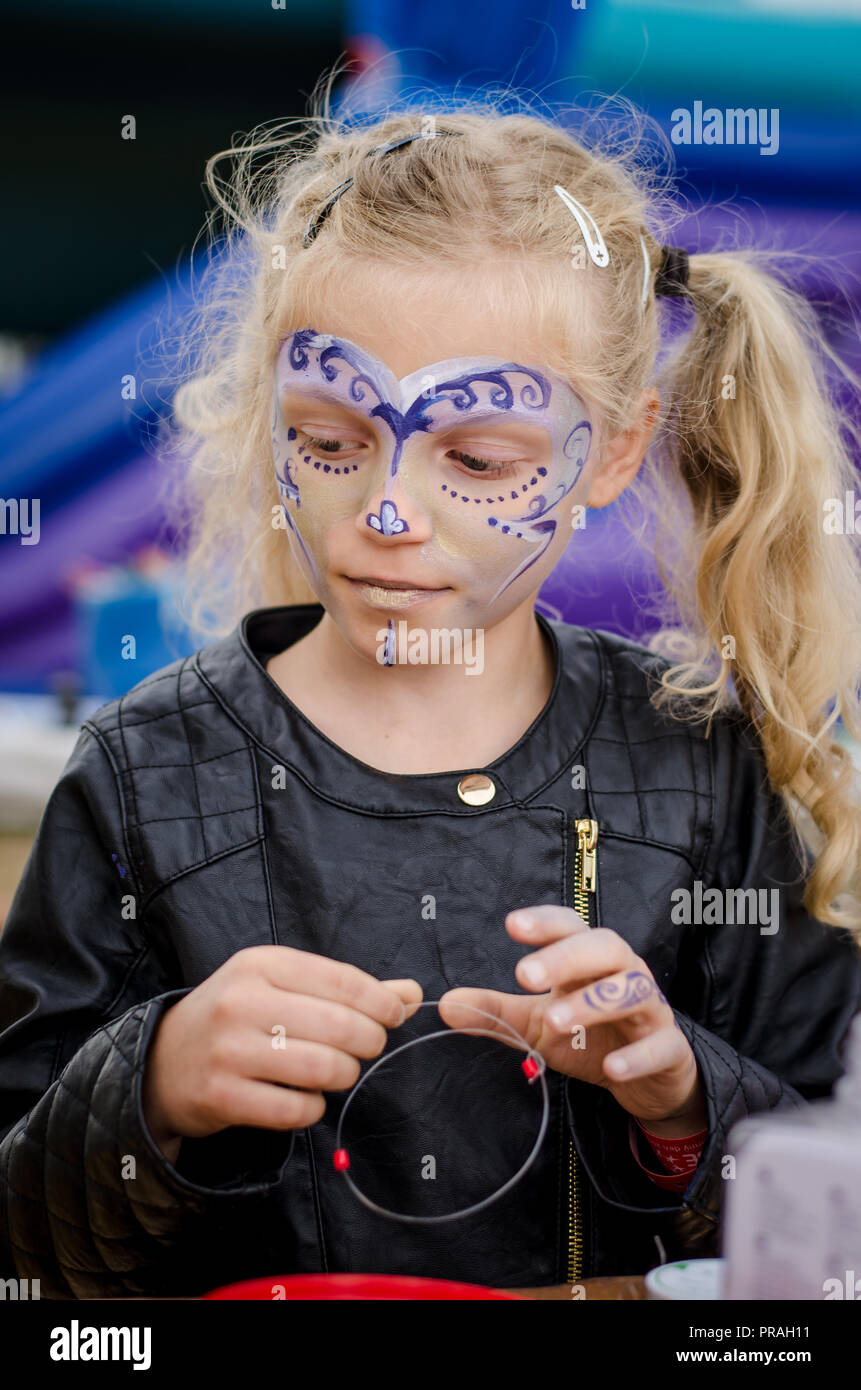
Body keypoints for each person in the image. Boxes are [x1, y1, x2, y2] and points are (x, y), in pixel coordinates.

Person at [2, 90, 860, 1298]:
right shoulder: (142, 777)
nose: (388, 513)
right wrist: (148, 1088)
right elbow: (21, 1240)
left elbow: (831, 1203)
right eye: (333, 438)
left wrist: (679, 1095)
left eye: (477, 458)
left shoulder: (699, 767)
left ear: (612, 449)